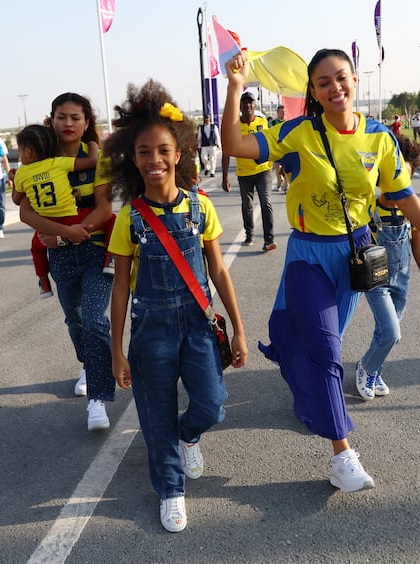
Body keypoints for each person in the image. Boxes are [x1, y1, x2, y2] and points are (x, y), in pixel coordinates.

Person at [221, 48, 420, 493]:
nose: (335, 87)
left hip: (354, 256)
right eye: (324, 82)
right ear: (312, 91)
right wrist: (236, 87)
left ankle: (310, 390)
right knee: (328, 351)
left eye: (342, 78)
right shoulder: (298, 132)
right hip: (308, 256)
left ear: (355, 81)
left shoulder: (380, 140)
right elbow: (234, 146)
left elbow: (403, 195)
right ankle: (343, 455)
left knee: (320, 347)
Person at [105, 80, 247, 533]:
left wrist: (239, 330)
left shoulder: (200, 207)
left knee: (213, 406)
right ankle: (170, 489)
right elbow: (121, 289)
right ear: (133, 157)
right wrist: (117, 349)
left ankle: (189, 435)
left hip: (198, 321)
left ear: (180, 153)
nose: (154, 161)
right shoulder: (129, 218)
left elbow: (220, 273)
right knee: (155, 413)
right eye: (144, 151)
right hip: (150, 328)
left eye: (163, 150)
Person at [17, 93, 116, 431]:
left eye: (76, 117)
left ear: (87, 123)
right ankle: (89, 364)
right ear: (52, 120)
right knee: (75, 322)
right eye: (62, 116)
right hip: (59, 257)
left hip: (96, 250)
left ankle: (98, 401)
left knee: (94, 319)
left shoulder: (98, 161)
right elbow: (25, 211)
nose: (69, 123)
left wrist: (68, 233)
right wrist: (60, 237)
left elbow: (105, 210)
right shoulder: (37, 162)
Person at [356, 135, 420, 401]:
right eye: (394, 178)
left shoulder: (411, 212)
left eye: (405, 181)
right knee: (391, 331)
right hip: (376, 281)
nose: (399, 187)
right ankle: (365, 367)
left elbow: (419, 249)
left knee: (390, 335)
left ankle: (375, 370)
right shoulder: (369, 208)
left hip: (402, 280)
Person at [10, 124, 99, 299]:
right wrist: (94, 145)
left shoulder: (22, 173)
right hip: (71, 217)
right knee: (110, 218)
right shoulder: (58, 163)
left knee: (37, 248)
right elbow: (91, 161)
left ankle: (43, 282)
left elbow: (15, 199)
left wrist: (14, 181)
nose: (20, 156)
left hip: (46, 224)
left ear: (28, 152)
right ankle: (111, 259)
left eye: (20, 152)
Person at [221, 91, 277, 251]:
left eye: (250, 102)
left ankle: (269, 240)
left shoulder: (263, 122)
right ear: (240, 106)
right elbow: (226, 151)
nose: (248, 105)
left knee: (266, 203)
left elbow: (272, 143)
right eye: (244, 102)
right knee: (247, 205)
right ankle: (249, 234)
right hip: (244, 173)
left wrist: (280, 164)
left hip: (263, 171)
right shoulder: (234, 126)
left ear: (255, 105)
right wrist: (225, 176)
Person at [271, 105, 289, 192]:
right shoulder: (273, 123)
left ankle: (286, 185)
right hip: (276, 149)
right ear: (278, 113)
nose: (283, 113)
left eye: (284, 112)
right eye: (281, 112)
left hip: (286, 149)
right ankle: (279, 183)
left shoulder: (288, 123)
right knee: (277, 168)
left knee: (286, 168)